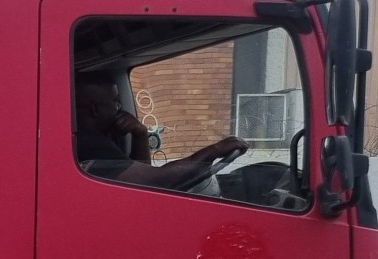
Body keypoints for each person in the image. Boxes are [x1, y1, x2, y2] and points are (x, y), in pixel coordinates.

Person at [74, 68, 248, 189]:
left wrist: (140, 134)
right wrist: (215, 150)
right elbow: (157, 181)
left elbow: (139, 178)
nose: (120, 107)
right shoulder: (90, 143)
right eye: (116, 101)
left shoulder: (91, 139)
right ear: (95, 109)